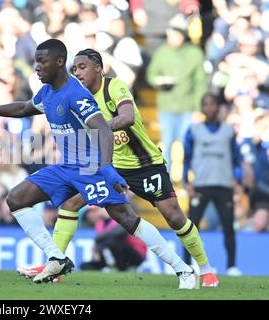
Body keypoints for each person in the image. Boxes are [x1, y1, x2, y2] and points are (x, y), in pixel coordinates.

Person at [0, 39, 198, 288]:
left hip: (90, 168)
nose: (37, 67)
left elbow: (103, 129)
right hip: (68, 167)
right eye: (36, 61)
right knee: (16, 198)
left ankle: (184, 269)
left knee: (126, 218)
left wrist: (105, 169)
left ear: (59, 62)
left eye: (42, 61)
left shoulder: (76, 94)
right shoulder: (49, 91)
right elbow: (25, 108)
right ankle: (57, 257)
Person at [18, 48, 219, 287]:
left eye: (83, 67)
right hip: (109, 165)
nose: (78, 73)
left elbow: (127, 118)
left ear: (98, 69)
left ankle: (206, 269)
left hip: (145, 164)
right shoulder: (77, 95)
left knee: (175, 218)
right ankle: (55, 264)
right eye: (75, 69)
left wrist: (98, 128)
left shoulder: (114, 87)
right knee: (70, 204)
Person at [183, 93, 242, 276]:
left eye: (212, 104)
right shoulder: (193, 130)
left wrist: (237, 180)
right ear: (202, 108)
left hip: (223, 185)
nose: (209, 108)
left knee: (228, 225)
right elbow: (187, 157)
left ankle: (231, 266)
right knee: (190, 227)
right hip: (200, 185)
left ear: (218, 107)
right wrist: (186, 180)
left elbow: (236, 160)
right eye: (206, 105)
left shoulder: (229, 131)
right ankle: (186, 265)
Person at [146, 14, 208, 172]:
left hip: (187, 108)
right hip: (167, 107)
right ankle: (166, 179)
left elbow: (200, 83)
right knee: (166, 144)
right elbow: (151, 73)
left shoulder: (195, 54)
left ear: (182, 35)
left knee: (187, 145)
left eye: (175, 35)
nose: (171, 38)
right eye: (169, 35)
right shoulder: (162, 52)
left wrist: (197, 108)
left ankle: (188, 177)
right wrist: (159, 80)